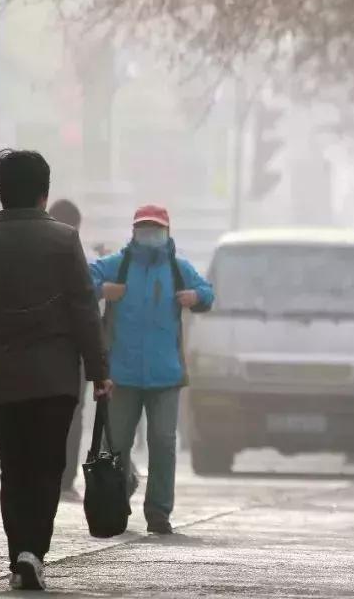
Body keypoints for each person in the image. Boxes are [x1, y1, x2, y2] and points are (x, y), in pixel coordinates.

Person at [0, 149, 112, 591]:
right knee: (46, 466)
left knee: (14, 467)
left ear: (1, 191)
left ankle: (19, 551)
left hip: (4, 375)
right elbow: (84, 309)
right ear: (45, 192)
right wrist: (99, 371)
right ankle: (32, 553)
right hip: (55, 379)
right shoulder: (64, 240)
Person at [89, 205, 214, 535]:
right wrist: (103, 291)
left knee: (163, 443)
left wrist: (195, 296)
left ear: (167, 232)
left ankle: (158, 511)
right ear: (133, 232)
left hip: (165, 376)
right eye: (143, 228)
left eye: (155, 229)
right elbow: (84, 279)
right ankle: (116, 500)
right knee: (115, 446)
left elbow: (208, 292)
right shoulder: (119, 265)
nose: (149, 235)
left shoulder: (177, 268)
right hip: (122, 374)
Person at [48, 199, 89, 502]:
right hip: (71, 353)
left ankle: (46, 477)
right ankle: (63, 480)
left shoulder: (30, 255)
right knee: (72, 417)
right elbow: (86, 310)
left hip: (39, 351)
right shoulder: (75, 256)